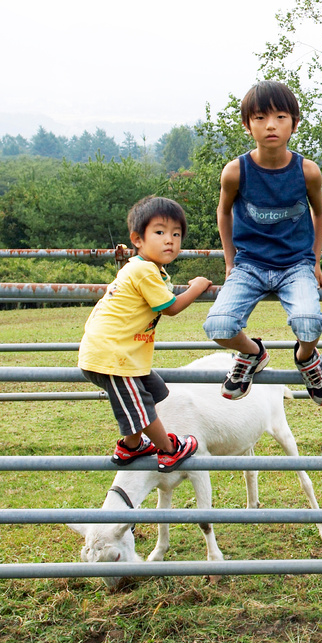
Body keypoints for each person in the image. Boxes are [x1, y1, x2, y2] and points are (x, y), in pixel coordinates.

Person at [202, 81, 322, 405]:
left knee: (309, 323)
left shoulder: (307, 171)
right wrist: (231, 262)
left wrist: (314, 261)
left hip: (296, 265)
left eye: (280, 116)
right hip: (250, 265)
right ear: (247, 125)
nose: (271, 125)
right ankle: (252, 353)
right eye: (260, 117)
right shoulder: (236, 171)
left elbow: (320, 214)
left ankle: (307, 358)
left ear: (295, 122)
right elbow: (224, 213)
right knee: (218, 325)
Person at [79, 196, 211, 472]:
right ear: (137, 239)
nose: (170, 241)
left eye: (176, 234)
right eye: (160, 232)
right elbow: (172, 307)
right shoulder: (142, 270)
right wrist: (197, 287)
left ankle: (130, 447)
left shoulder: (150, 270)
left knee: (152, 389)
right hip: (112, 356)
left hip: (123, 354)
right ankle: (170, 449)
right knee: (140, 408)